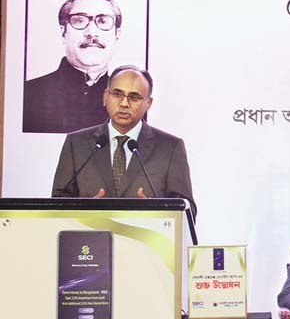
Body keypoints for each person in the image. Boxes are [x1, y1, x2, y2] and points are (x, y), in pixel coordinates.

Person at [51, 65, 197, 219]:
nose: (124, 103)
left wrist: (157, 213)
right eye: (117, 94)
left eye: (134, 97)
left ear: (148, 103)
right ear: (105, 97)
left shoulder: (170, 148)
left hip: (145, 234)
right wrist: (85, 212)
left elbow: (188, 212)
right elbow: (57, 203)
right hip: (90, 234)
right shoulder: (76, 143)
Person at [24, 0, 124, 134]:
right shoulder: (28, 94)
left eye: (103, 21)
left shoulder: (134, 101)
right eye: (79, 21)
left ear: (117, 35)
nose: (91, 32)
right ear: (63, 32)